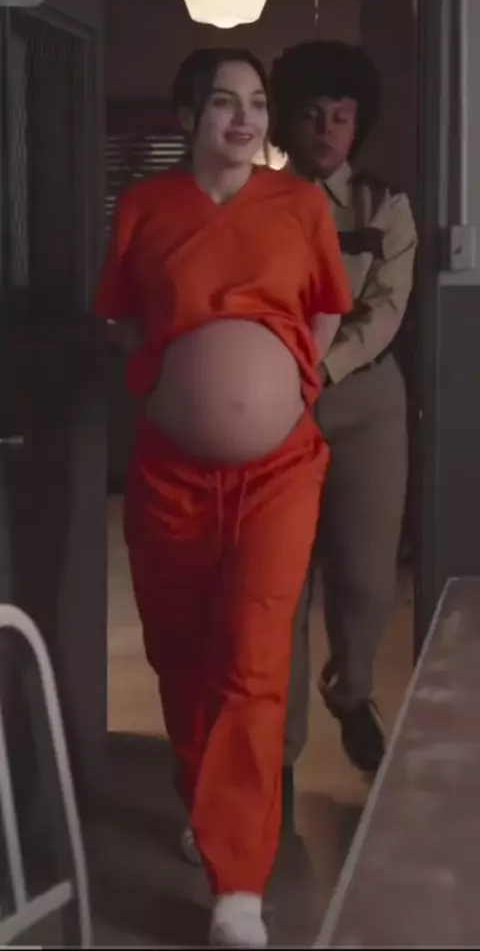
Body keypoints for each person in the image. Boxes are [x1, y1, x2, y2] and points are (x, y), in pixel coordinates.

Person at [94, 47, 351, 948]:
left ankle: (237, 884)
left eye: (256, 103)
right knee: (181, 658)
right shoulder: (144, 206)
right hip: (171, 476)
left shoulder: (300, 205)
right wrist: (173, 382)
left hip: (279, 473)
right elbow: (122, 314)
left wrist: (290, 384)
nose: (244, 119)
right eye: (222, 103)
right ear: (186, 118)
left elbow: (326, 308)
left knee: (252, 655)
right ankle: (209, 808)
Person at [270, 40, 417, 779]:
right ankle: (279, 755)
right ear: (287, 122)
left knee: (364, 577)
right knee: (281, 584)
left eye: (341, 116)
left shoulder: (384, 204)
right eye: (311, 114)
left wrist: (321, 368)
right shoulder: (257, 203)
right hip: (273, 406)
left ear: (359, 124)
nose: (326, 130)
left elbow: (385, 309)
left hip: (365, 403)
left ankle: (352, 692)